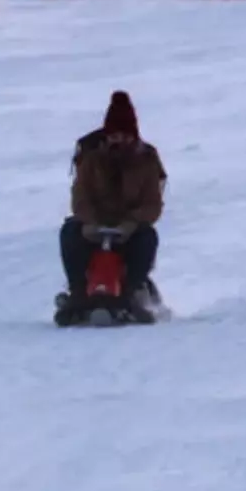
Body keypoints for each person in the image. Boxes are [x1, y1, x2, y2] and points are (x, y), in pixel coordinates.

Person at [58, 90, 167, 321]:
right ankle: (78, 292)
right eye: (114, 135)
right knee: (69, 233)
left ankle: (131, 292)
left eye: (124, 135)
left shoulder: (146, 162)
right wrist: (89, 222)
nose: (119, 141)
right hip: (95, 226)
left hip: (129, 229)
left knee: (147, 238)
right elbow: (80, 196)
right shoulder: (91, 160)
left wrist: (133, 222)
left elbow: (152, 203)